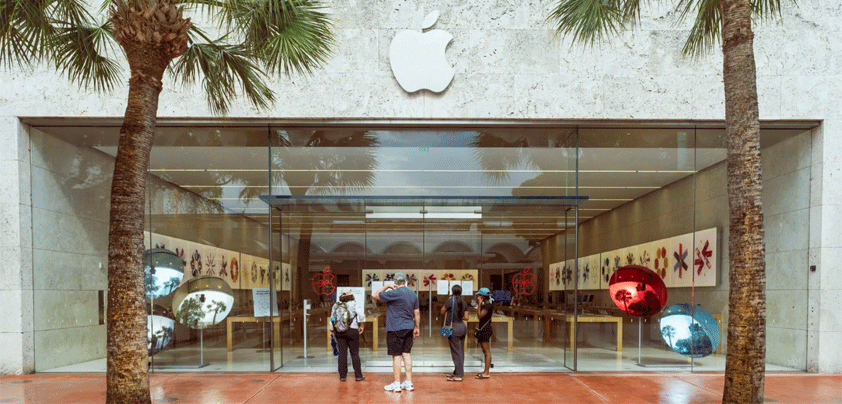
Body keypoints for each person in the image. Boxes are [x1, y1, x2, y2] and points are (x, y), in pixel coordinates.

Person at [373, 272, 420, 392]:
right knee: (407, 354)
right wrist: (417, 327)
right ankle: (409, 383)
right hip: (408, 327)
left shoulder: (393, 293)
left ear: (395, 282)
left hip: (395, 328)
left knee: (397, 356)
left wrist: (387, 286)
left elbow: (375, 295)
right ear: (406, 281)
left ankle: (397, 384)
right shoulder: (413, 294)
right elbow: (417, 313)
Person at [329, 292, 366, 382]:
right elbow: (362, 316)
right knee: (354, 353)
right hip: (352, 330)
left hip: (339, 332)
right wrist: (362, 326)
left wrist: (332, 330)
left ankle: (342, 376)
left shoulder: (335, 305)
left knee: (342, 353)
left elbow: (332, 319)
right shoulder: (354, 304)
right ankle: (358, 376)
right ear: (351, 295)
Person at [440, 284, 469, 381]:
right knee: (460, 351)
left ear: (452, 291)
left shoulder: (450, 301)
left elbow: (442, 312)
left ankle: (459, 375)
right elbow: (466, 317)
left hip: (454, 328)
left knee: (456, 352)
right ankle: (457, 372)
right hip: (462, 327)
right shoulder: (464, 302)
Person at [474, 287, 494, 379]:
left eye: (479, 295)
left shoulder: (488, 305)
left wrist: (478, 305)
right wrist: (479, 306)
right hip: (484, 329)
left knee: (487, 352)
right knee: (484, 351)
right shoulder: (485, 305)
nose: (478, 296)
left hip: (485, 329)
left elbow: (479, 316)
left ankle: (486, 372)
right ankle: (485, 370)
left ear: (482, 296)